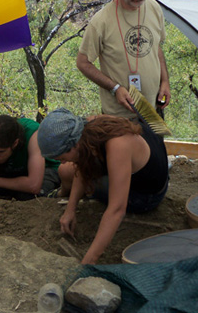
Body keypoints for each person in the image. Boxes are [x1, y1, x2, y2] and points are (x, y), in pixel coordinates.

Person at [37, 108, 169, 264]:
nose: (63, 160)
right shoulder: (88, 125)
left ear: (74, 145)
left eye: (62, 157)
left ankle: (64, 192)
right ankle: (63, 192)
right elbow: (83, 163)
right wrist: (70, 209)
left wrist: (88, 262)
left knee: (67, 171)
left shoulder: (118, 145)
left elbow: (117, 210)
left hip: (147, 195)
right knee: (65, 170)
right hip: (146, 170)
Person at [77, 0, 170, 118]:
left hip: (153, 110)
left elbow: (156, 47)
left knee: (155, 145)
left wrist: (165, 82)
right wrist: (115, 88)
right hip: (120, 117)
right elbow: (83, 63)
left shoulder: (154, 8)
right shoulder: (101, 21)